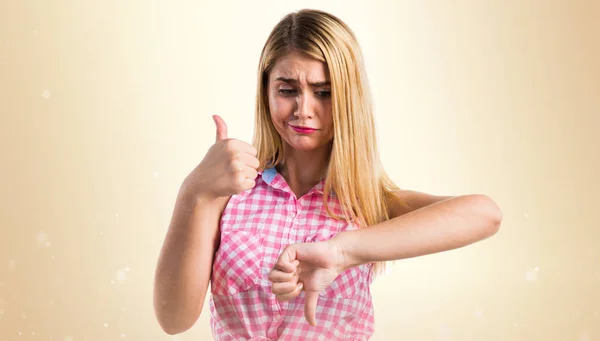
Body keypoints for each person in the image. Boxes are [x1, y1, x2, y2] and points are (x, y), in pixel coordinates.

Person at [153, 8, 502, 341]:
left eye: (324, 93)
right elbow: (173, 319)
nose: (303, 110)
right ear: (266, 92)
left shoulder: (369, 202)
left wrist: (341, 252)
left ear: (349, 99)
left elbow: (485, 215)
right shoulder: (226, 195)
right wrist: (194, 192)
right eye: (287, 90)